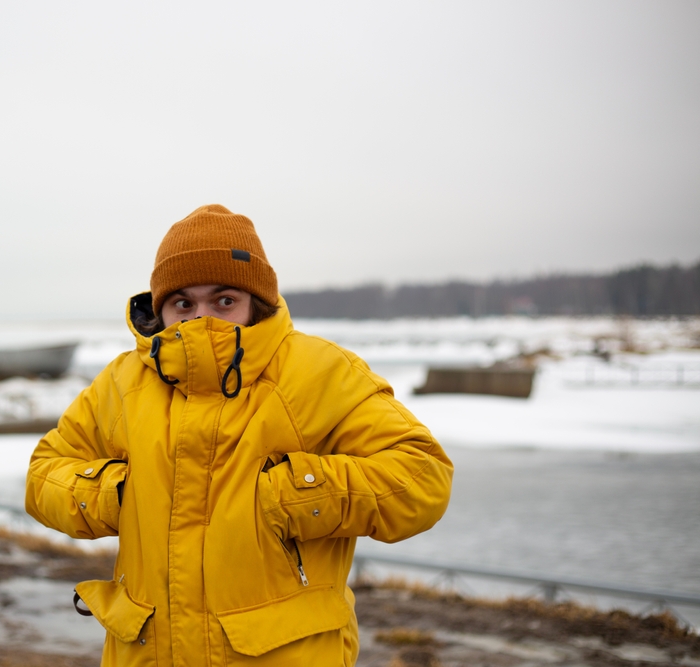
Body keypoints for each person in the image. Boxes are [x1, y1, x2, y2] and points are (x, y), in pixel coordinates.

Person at [25, 204, 453, 667]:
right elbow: (43, 474)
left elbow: (423, 477)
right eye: (183, 302)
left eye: (224, 300)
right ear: (161, 307)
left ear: (256, 302)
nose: (201, 317)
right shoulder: (123, 383)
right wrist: (118, 495)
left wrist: (291, 494)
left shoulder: (320, 372)